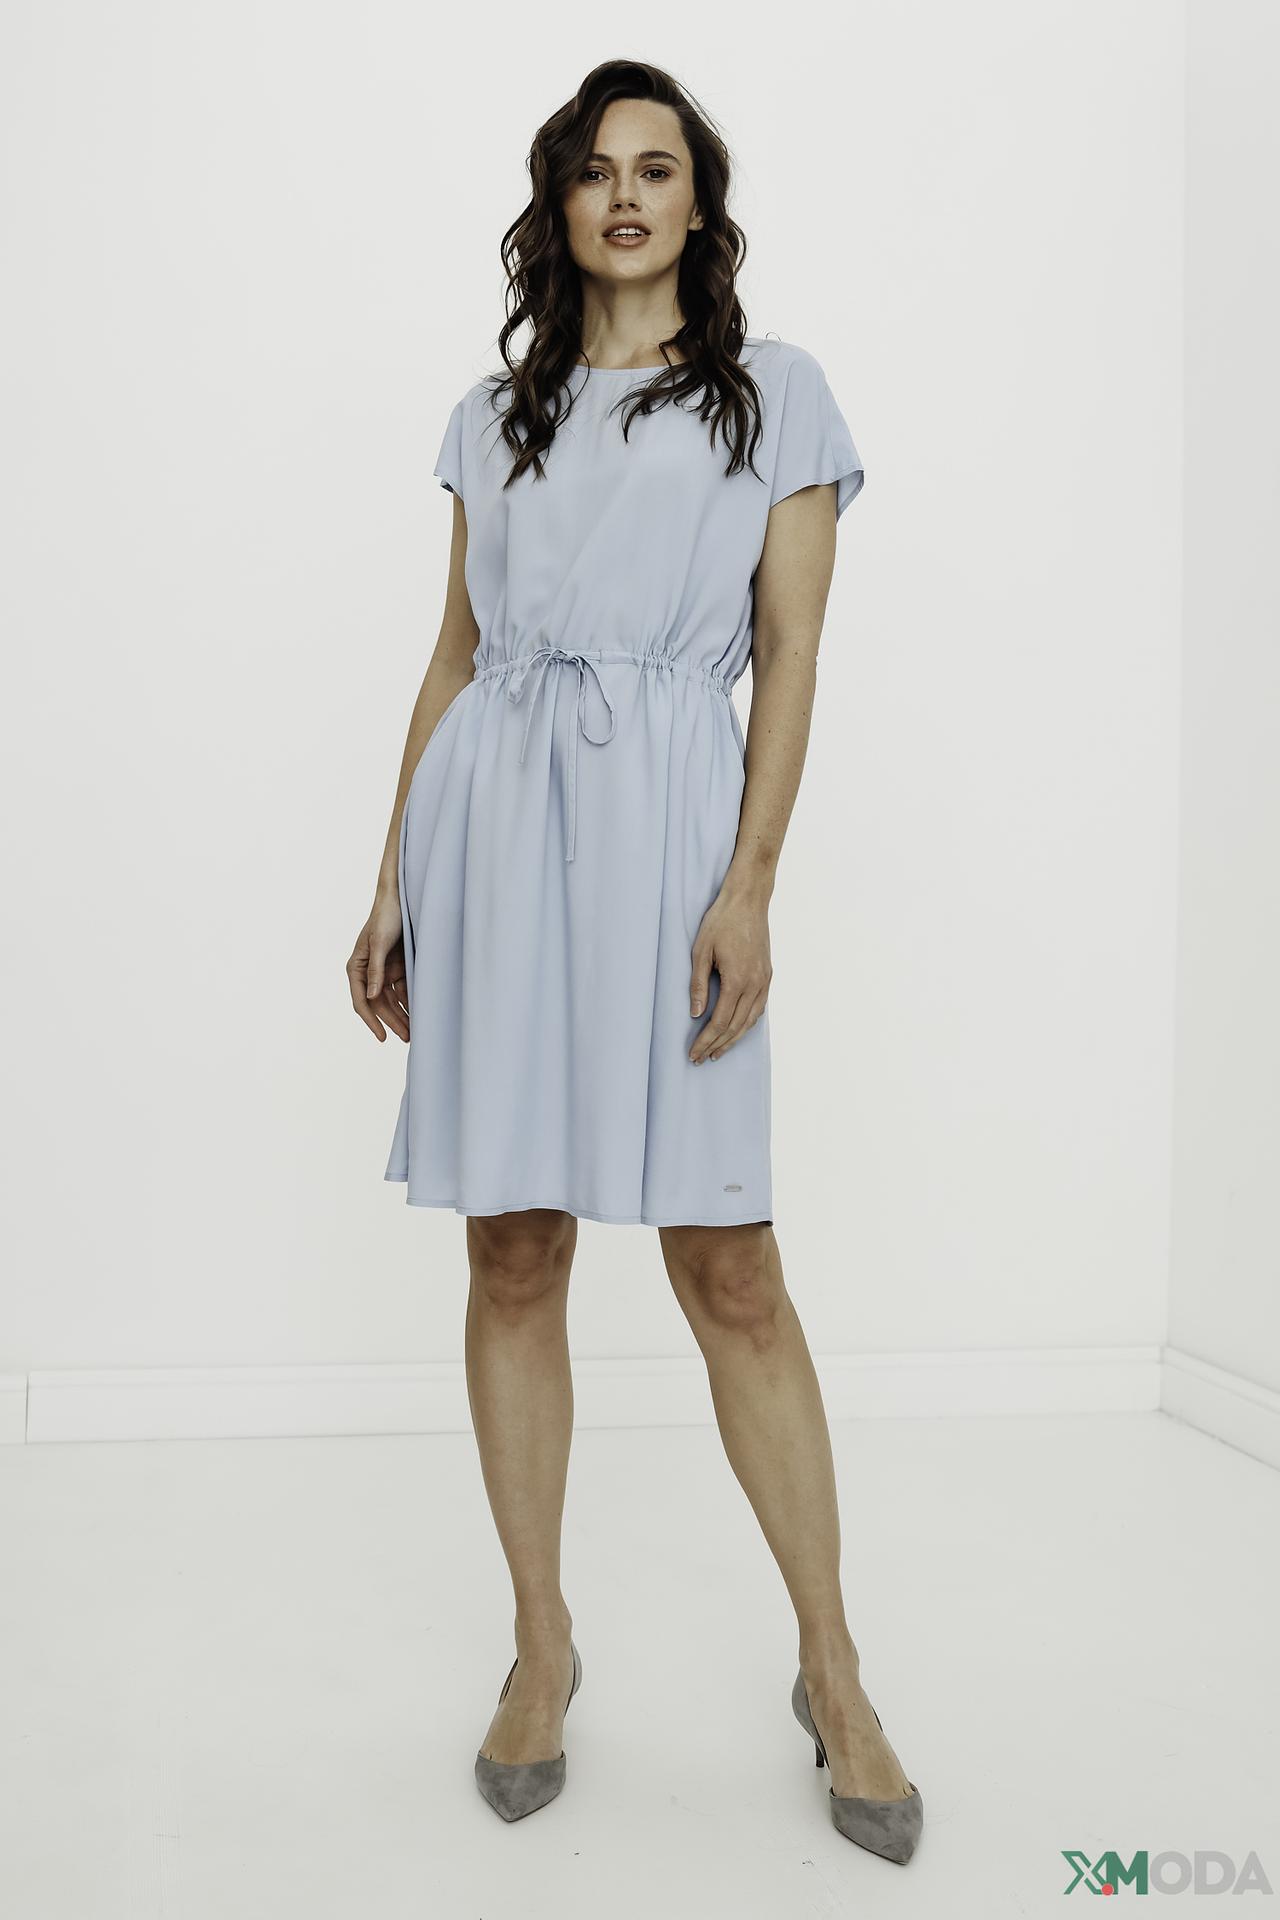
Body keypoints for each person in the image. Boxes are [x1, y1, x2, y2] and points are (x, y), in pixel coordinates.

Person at [346, 59, 923, 1864]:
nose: (624, 195)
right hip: (498, 833)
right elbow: (457, 656)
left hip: (676, 837)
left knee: (729, 1265)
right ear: (559, 202)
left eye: (656, 168)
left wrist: (751, 883)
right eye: (595, 170)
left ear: (698, 203)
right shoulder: (491, 417)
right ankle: (542, 1646)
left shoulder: (775, 397)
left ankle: (833, 1667)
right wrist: (394, 877)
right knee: (514, 1247)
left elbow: (793, 653)